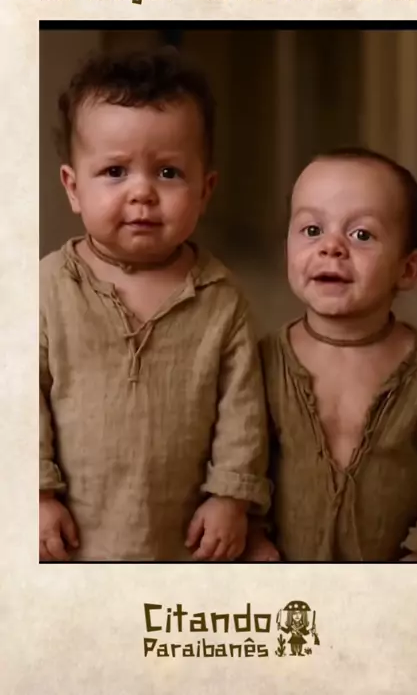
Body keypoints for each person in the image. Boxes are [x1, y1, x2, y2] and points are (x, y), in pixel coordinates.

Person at [39, 49, 270, 563]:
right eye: (115, 171)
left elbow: (243, 411)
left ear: (205, 189)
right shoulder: (48, 289)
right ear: (74, 188)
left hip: (183, 538)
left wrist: (230, 497)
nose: (142, 192)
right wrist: (36, 494)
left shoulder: (220, 297)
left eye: (168, 172)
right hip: (71, 539)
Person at [246, 148, 417, 563]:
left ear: (408, 269)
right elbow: (240, 458)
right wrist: (252, 535)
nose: (331, 247)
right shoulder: (259, 362)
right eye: (312, 229)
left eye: (362, 235)